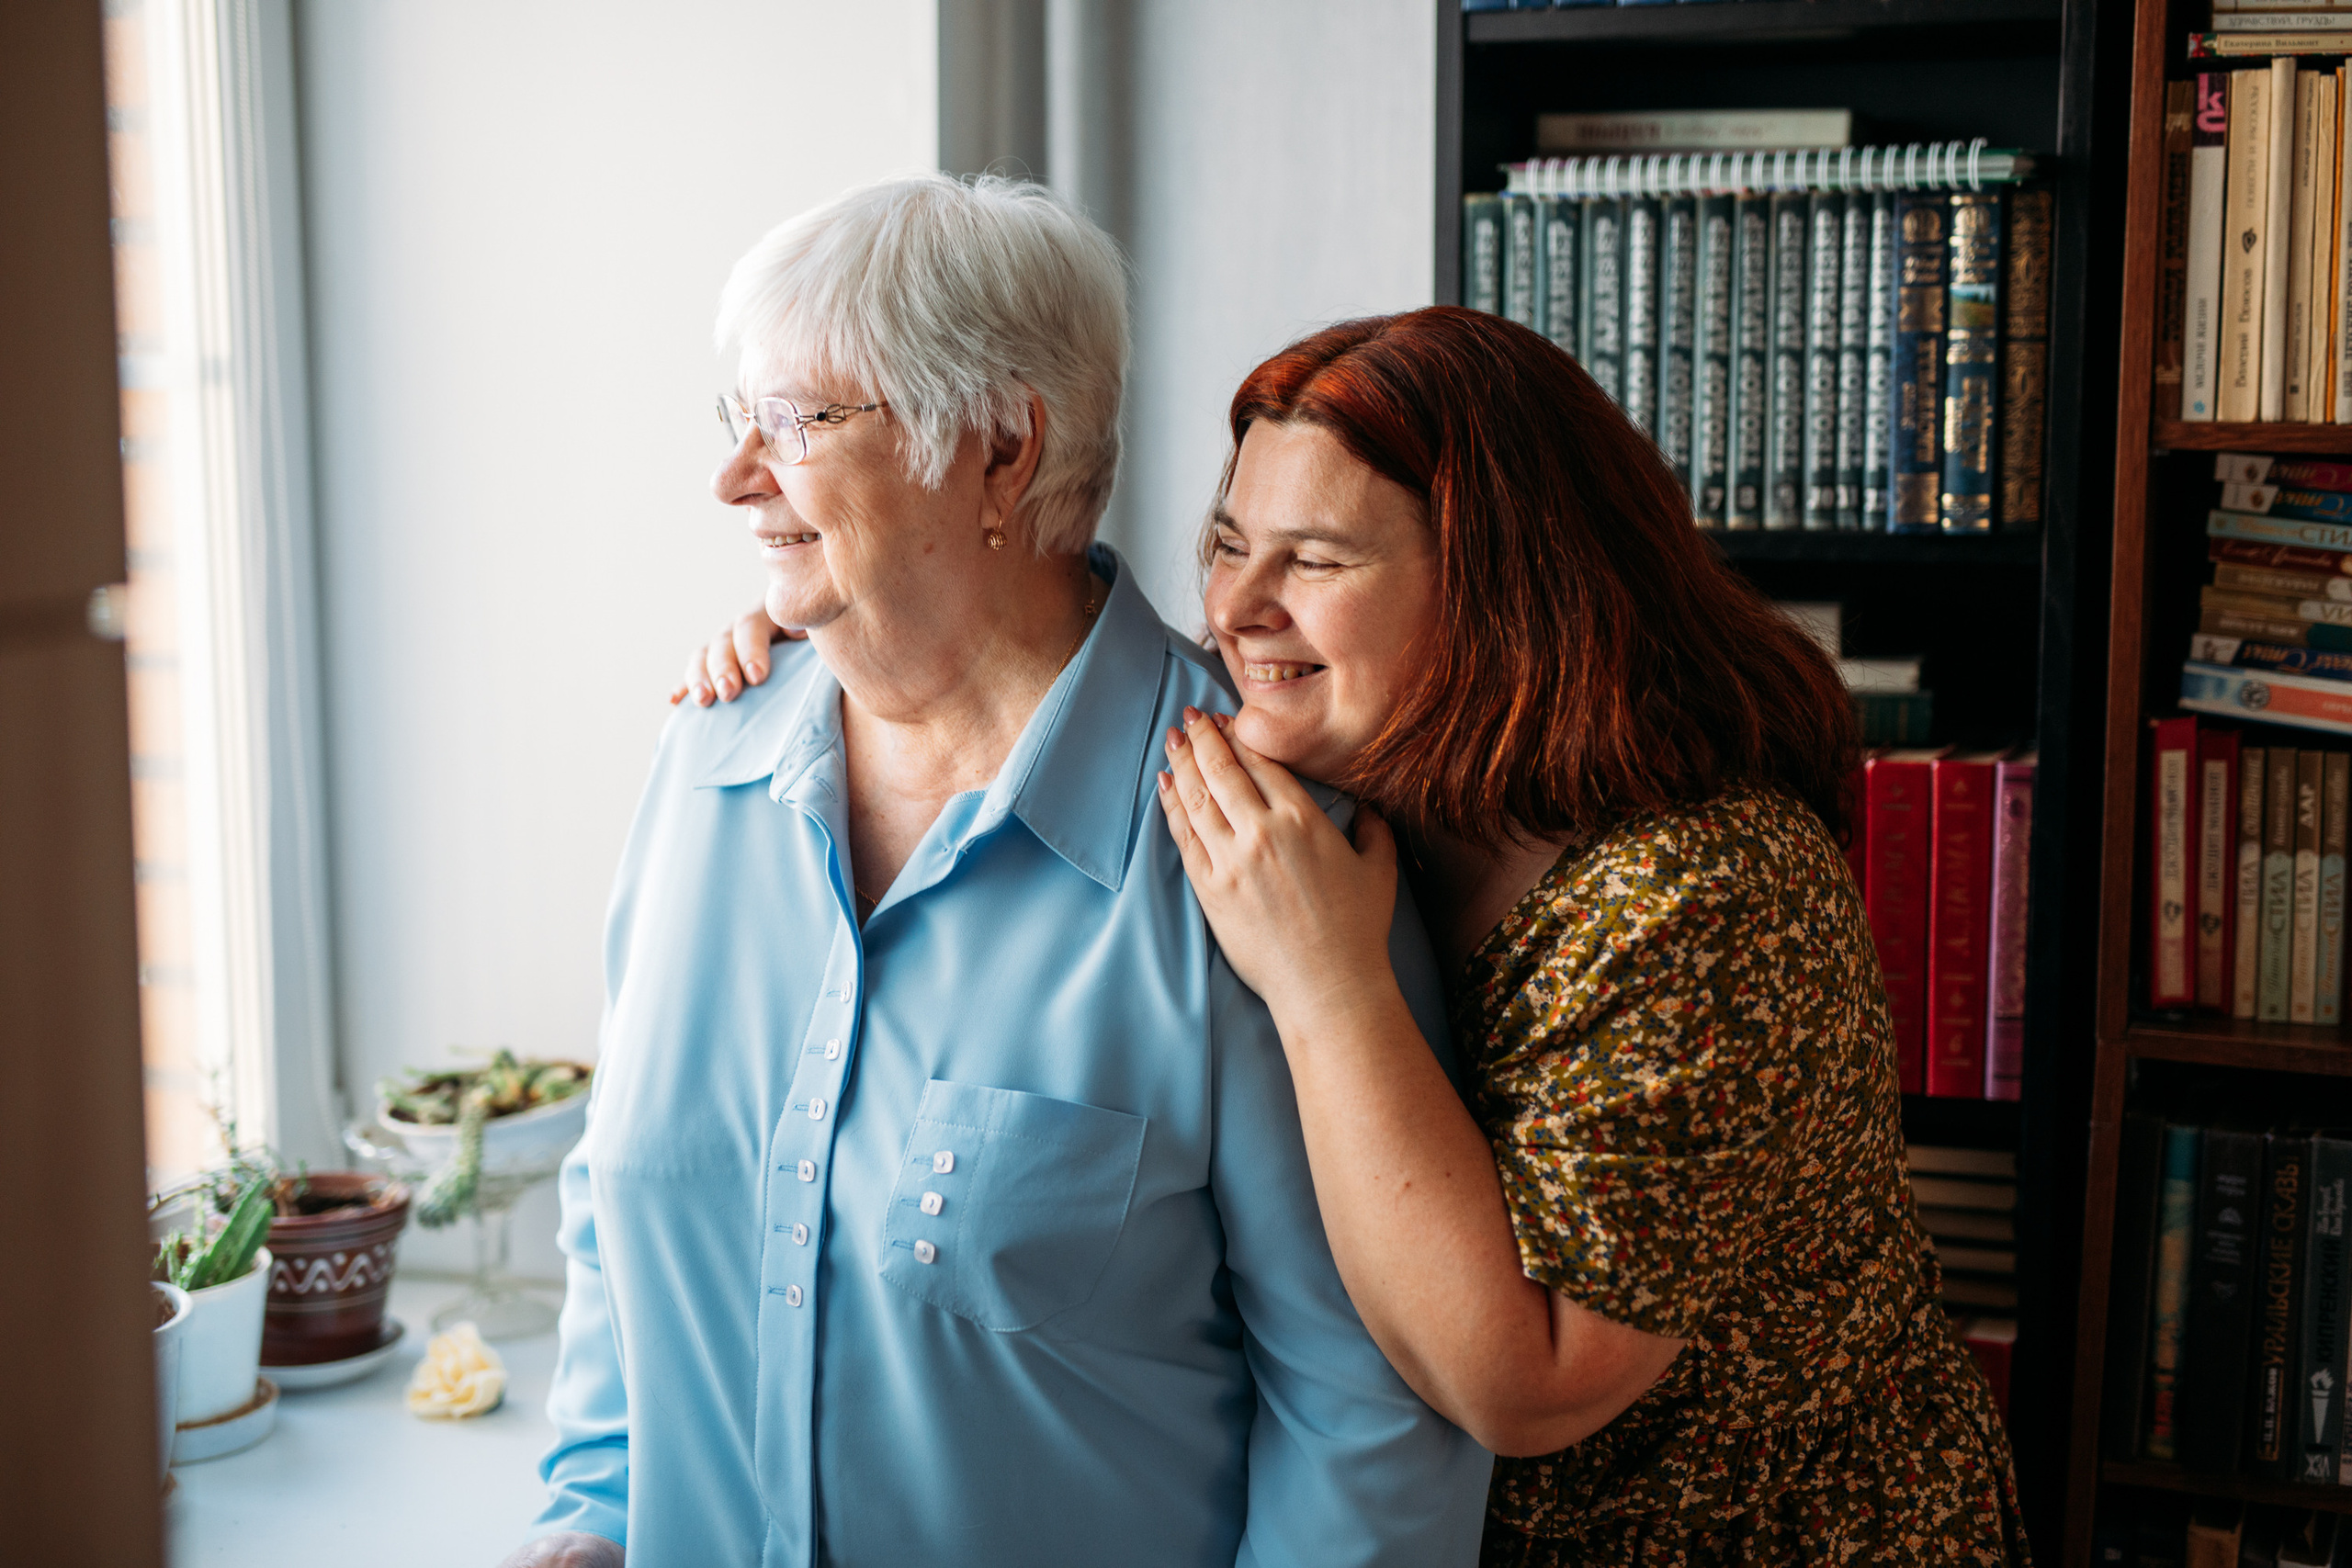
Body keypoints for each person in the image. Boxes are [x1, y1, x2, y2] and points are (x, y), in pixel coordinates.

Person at [685, 305, 2030, 1567]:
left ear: (1508, 592)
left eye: (1317, 562)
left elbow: (1525, 1385)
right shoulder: (1353, 782)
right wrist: (828, 626)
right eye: (1227, 544)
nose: (1238, 608)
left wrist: (1329, 985)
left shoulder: (1707, 900)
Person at [509, 182, 1491, 1568]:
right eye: (738, 418)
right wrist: (588, 1522)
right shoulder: (704, 758)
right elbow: (615, 1227)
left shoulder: (1264, 857)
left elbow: (1368, 1428)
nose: (736, 478)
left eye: (797, 421)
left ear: (1002, 450)